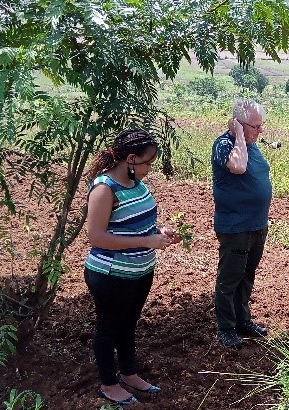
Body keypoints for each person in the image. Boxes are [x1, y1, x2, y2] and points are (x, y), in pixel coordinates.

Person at [83, 129, 181, 405]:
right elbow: (96, 237)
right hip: (111, 274)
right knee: (108, 327)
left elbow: (137, 223)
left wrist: (160, 232)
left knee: (128, 324)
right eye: (147, 162)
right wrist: (146, 240)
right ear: (130, 158)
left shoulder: (136, 183)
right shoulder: (105, 188)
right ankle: (108, 383)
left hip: (139, 271)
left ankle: (128, 373)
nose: (150, 168)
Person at [211, 98, 273, 350]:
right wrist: (237, 134)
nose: (260, 131)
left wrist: (246, 137)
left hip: (257, 224)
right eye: (255, 126)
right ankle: (225, 327)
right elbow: (237, 167)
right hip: (235, 225)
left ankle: (242, 320)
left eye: (262, 126)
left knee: (247, 275)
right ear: (237, 123)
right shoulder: (225, 144)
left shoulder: (251, 145)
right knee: (230, 278)